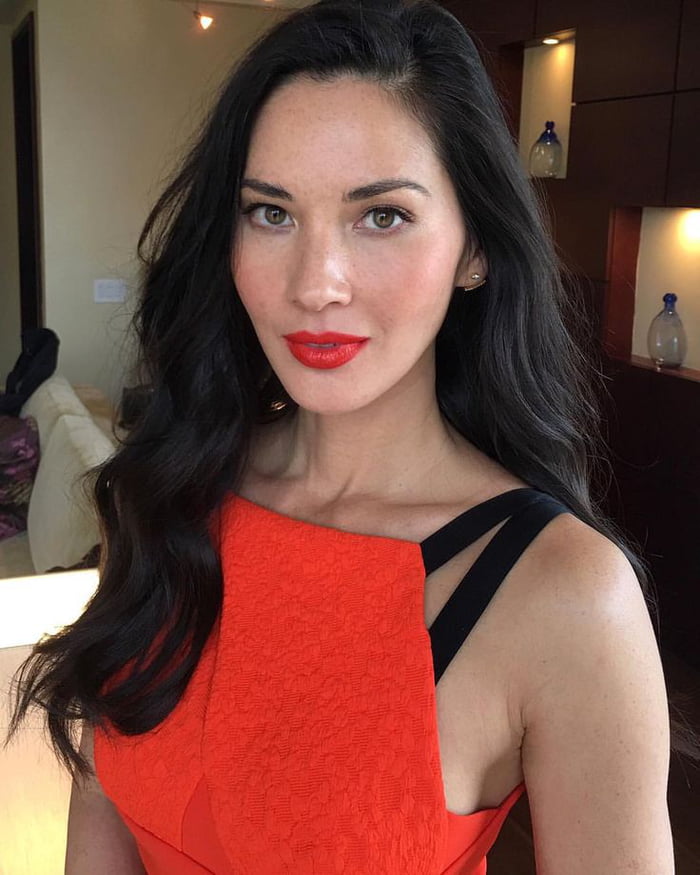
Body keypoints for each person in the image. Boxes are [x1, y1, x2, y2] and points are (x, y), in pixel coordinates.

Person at [4, 1, 675, 872]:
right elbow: (102, 805)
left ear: (474, 249)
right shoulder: (167, 489)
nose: (315, 284)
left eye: (382, 215)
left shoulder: (562, 594)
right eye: (271, 213)